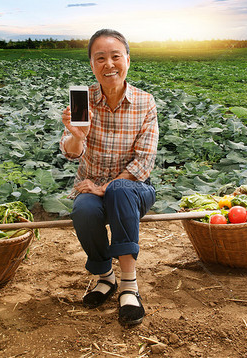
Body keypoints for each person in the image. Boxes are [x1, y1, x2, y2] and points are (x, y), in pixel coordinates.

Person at [60, 29, 159, 326]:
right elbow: (70, 152)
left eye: (116, 56)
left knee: (119, 190)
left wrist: (105, 186)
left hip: (134, 189)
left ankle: (129, 285)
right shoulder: (84, 99)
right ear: (92, 64)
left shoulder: (145, 102)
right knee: (84, 209)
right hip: (91, 187)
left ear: (127, 59)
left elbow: (144, 162)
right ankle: (106, 277)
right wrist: (78, 136)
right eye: (100, 58)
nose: (109, 64)